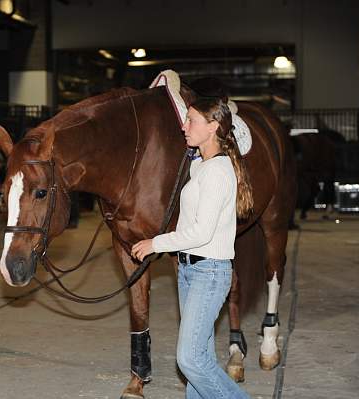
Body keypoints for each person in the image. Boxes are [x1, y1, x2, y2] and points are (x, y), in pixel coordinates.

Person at [131, 97, 252, 399]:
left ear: (212, 127)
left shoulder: (217, 172)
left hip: (209, 272)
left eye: (192, 121)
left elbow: (200, 232)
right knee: (201, 359)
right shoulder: (201, 165)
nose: (184, 127)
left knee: (190, 360)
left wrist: (155, 243)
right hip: (189, 270)